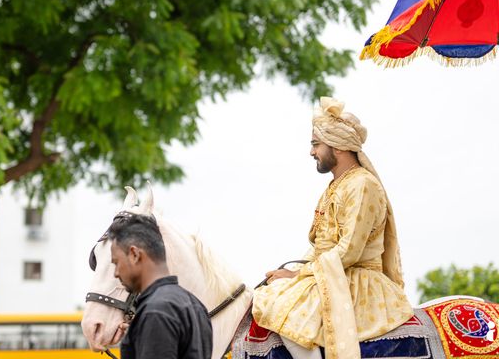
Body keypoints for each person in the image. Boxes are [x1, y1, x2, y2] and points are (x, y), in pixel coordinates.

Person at [252, 97, 414, 359]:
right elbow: (320, 246)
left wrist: (298, 276)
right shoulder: (335, 186)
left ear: (337, 147)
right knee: (268, 294)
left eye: (316, 144)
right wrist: (293, 270)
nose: (311, 152)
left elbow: (348, 251)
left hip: (356, 281)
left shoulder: (363, 185)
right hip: (330, 274)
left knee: (283, 309)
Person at [108, 214, 213, 359]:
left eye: (116, 262)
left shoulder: (156, 311)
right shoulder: (196, 305)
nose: (116, 273)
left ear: (134, 254)